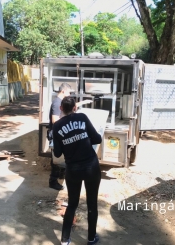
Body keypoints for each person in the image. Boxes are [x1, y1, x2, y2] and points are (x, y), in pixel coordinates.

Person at [53, 96, 102, 245]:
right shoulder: (82, 117)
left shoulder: (57, 126)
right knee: (92, 203)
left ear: (61, 108)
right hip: (91, 167)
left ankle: (65, 240)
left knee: (72, 204)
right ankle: (91, 238)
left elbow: (57, 153)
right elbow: (97, 139)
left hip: (73, 170)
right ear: (75, 107)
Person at [48, 83, 92, 190]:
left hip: (60, 133)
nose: (69, 94)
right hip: (56, 134)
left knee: (61, 157)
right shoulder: (57, 103)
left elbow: (68, 106)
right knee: (56, 160)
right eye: (69, 92)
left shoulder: (60, 102)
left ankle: (60, 174)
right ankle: (53, 181)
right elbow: (55, 120)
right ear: (63, 91)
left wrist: (82, 102)